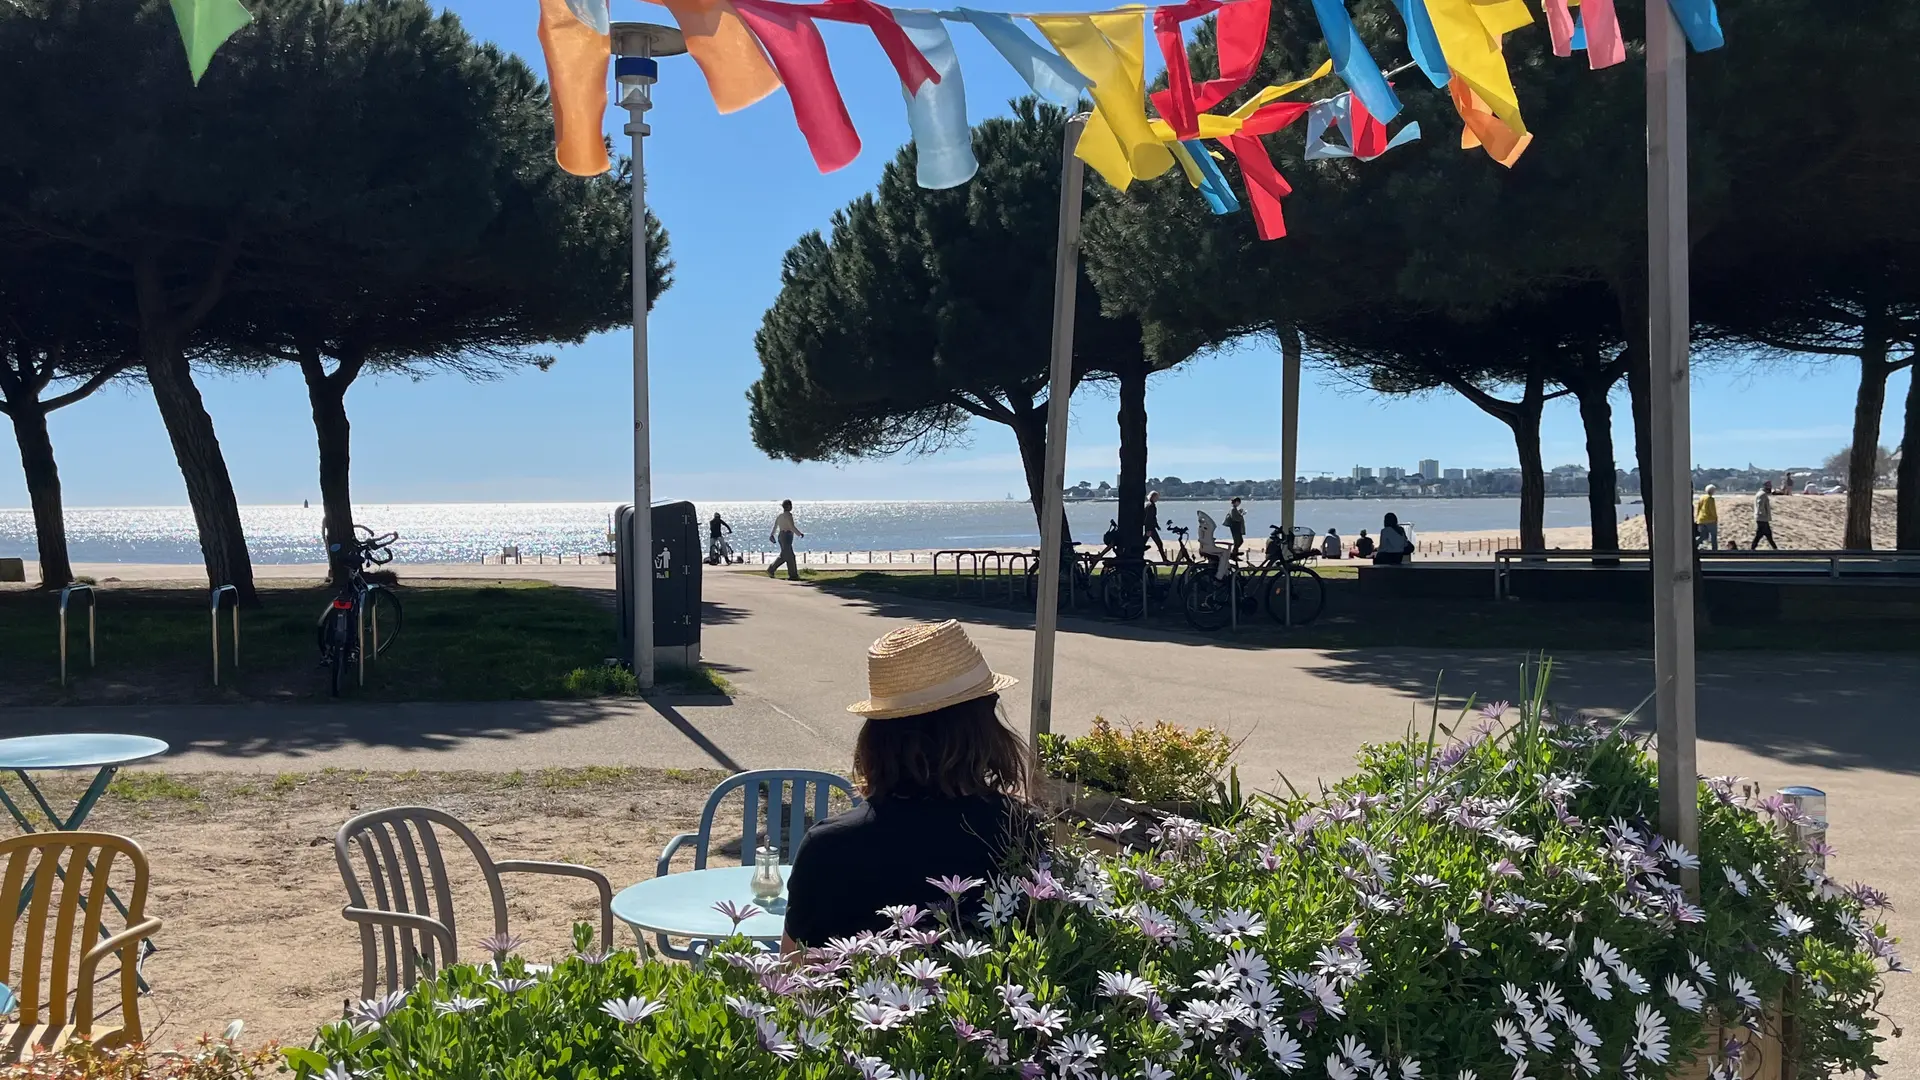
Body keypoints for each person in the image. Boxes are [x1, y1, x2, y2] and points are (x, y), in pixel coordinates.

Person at [782, 621, 1042, 950]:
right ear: (983, 727)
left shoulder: (830, 847)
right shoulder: (1018, 829)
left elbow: (795, 979)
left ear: (877, 736)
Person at [767, 499, 804, 580]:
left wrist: (772, 535)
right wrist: (799, 533)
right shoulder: (789, 516)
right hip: (787, 536)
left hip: (781, 536)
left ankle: (771, 569)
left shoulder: (780, 516)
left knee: (784, 556)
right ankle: (793, 575)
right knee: (790, 556)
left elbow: (775, 526)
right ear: (789, 506)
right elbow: (791, 526)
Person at [1196, 510, 1232, 580]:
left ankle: (1225, 571)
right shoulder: (1207, 528)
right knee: (1225, 552)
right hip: (1209, 548)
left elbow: (1202, 539)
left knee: (1223, 555)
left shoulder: (1201, 528)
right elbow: (1212, 526)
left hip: (1204, 548)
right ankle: (1220, 575)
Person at [1751, 482, 1778, 550]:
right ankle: (1775, 549)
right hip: (1762, 518)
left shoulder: (1760, 493)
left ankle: (1775, 548)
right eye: (1769, 487)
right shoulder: (1763, 495)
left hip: (1761, 518)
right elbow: (1760, 505)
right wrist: (1762, 513)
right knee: (1763, 535)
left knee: (1765, 535)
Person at [1694, 484, 1719, 550]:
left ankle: (1695, 545)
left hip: (1701, 519)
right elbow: (1712, 510)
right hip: (1710, 519)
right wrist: (1715, 517)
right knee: (1713, 536)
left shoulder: (1702, 498)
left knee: (1703, 536)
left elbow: (1699, 508)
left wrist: (1697, 517)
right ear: (1713, 491)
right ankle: (1714, 550)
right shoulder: (1710, 499)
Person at [1144, 491, 1167, 561]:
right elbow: (1149, 518)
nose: (1158, 498)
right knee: (1159, 543)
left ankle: (1164, 559)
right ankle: (1164, 559)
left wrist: (1157, 526)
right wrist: (1149, 529)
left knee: (1142, 543)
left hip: (1150, 527)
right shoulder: (1151, 506)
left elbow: (1153, 517)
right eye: (1157, 497)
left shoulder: (1148, 504)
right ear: (1153, 497)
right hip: (1150, 528)